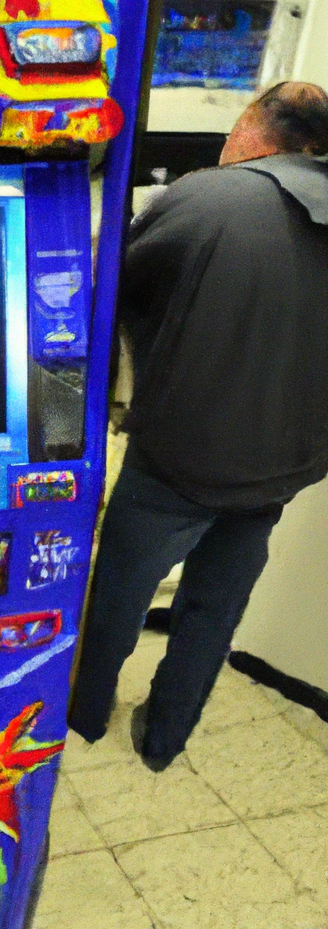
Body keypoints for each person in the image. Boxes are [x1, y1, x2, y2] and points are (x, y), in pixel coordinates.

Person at [67, 82, 328, 771]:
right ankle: (164, 739)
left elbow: (109, 289)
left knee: (117, 598)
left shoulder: (209, 196)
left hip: (180, 461)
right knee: (215, 608)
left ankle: (83, 717)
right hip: (283, 465)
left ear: (252, 127)